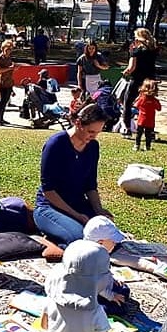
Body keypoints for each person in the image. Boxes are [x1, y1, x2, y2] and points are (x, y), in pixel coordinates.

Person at [33, 104, 119, 245]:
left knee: (108, 236)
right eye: (91, 132)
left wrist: (99, 210)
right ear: (78, 123)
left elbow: (90, 184)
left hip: (79, 204)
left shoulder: (93, 147)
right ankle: (50, 243)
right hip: (50, 207)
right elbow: (48, 190)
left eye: (98, 132)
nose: (94, 136)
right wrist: (77, 216)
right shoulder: (56, 144)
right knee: (81, 239)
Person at [120, 28, 159, 137]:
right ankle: (150, 131)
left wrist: (125, 72)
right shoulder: (153, 50)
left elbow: (131, 68)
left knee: (127, 102)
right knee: (148, 105)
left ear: (138, 38)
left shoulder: (136, 51)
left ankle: (127, 128)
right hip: (150, 81)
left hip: (137, 79)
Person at [134, 78, 161, 152]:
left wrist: (139, 97)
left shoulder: (142, 99)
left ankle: (137, 145)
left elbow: (136, 105)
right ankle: (147, 146)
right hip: (150, 121)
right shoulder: (155, 100)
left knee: (139, 134)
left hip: (141, 120)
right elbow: (159, 108)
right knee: (148, 135)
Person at [0, 40, 16, 126]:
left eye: (10, 49)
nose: (9, 51)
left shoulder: (9, 58)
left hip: (9, 82)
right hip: (2, 82)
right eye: (7, 49)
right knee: (2, 101)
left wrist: (14, 68)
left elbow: (10, 69)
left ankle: (1, 118)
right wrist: (10, 68)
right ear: (3, 49)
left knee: (6, 101)